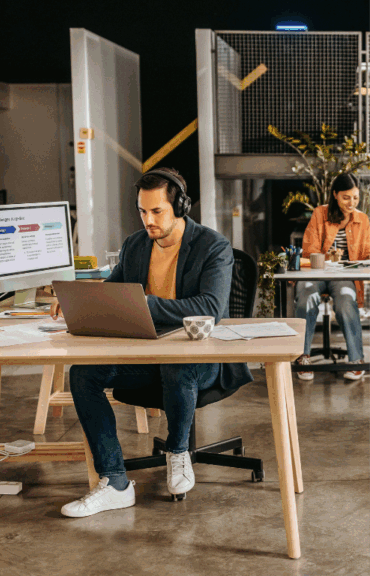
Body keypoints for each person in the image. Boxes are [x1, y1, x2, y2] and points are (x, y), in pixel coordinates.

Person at [49, 167, 253, 517]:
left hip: (200, 363)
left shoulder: (212, 246)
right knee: (83, 374)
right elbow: (114, 289)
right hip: (147, 357)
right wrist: (78, 298)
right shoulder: (135, 245)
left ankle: (178, 452)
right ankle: (114, 482)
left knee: (179, 367)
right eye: (142, 211)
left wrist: (148, 303)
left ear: (181, 206)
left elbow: (211, 307)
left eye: (157, 211)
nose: (148, 220)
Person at [294, 173, 370, 381]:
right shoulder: (320, 214)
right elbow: (309, 249)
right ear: (335, 194)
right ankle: (303, 357)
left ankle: (356, 360)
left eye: (355, 197)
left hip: (344, 277)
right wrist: (328, 259)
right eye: (346, 197)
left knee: (346, 299)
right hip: (316, 273)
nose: (351, 203)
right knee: (306, 297)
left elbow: (366, 254)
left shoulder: (362, 220)